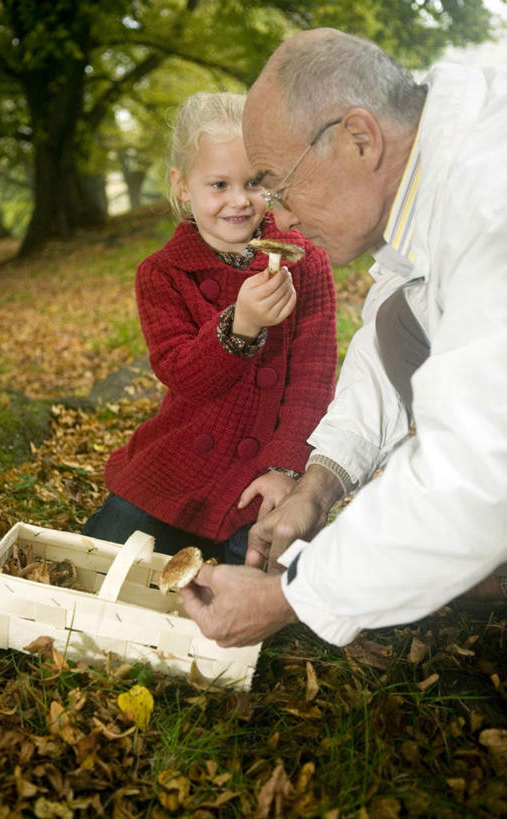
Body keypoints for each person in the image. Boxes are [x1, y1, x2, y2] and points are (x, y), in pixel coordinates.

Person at [181, 29, 507, 645]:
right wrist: (318, 483)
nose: (278, 218)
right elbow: (394, 327)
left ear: (360, 138)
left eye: (278, 183)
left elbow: (479, 460)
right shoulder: (425, 174)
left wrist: (291, 595)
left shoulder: (492, 203)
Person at [82, 91, 337, 564]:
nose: (239, 201)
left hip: (260, 473)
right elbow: (180, 372)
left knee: (274, 569)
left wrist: (285, 468)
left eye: (254, 183)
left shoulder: (308, 262)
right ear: (183, 186)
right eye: (218, 184)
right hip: (177, 466)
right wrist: (239, 327)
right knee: (106, 555)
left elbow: (313, 378)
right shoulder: (162, 273)